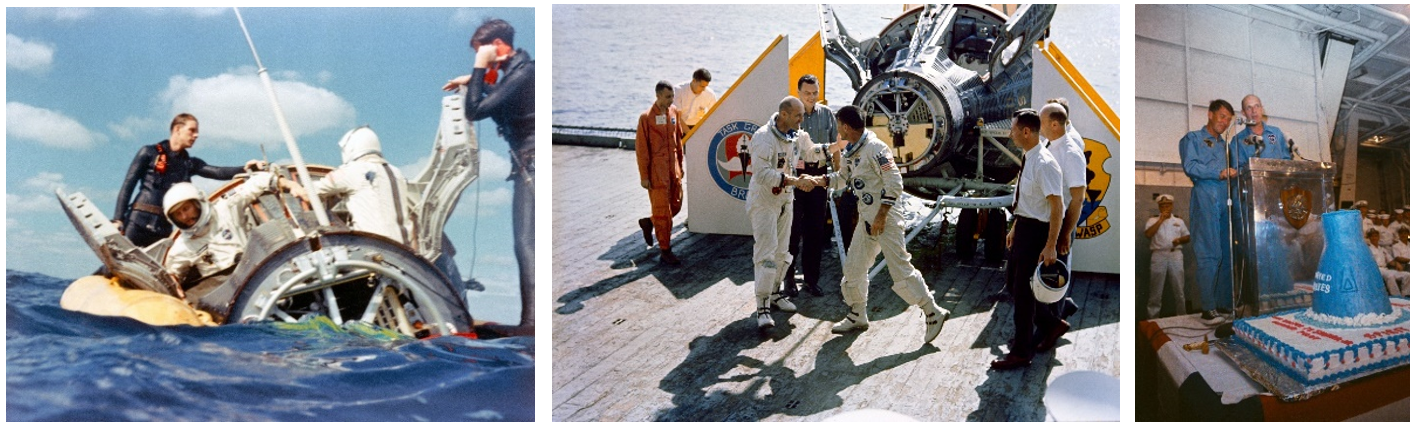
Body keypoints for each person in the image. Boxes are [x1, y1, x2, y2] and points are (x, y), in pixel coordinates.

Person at [812, 105, 949, 343]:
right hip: (868, 218)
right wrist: (817, 181)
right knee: (853, 268)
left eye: (838, 125)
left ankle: (932, 311)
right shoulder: (851, 152)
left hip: (886, 219)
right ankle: (857, 314)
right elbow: (842, 178)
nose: (837, 130)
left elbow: (895, 181)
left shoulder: (877, 149)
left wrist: (882, 215)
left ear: (845, 126)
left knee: (901, 270)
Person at [443, 18, 535, 336]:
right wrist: (471, 78)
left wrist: (478, 69)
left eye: (480, 50)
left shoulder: (524, 71)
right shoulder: (517, 72)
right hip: (525, 164)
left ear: (497, 45)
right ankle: (529, 320)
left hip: (532, 162)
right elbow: (498, 93)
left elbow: (475, 110)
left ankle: (532, 323)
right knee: (523, 242)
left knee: (526, 242)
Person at [115, 113, 264, 248]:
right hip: (138, 221)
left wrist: (246, 169)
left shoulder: (190, 163)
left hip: (165, 227)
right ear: (177, 129)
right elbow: (128, 185)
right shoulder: (149, 152)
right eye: (192, 130)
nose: (196, 135)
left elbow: (218, 172)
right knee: (117, 263)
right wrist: (118, 219)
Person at [990, 108, 1066, 371]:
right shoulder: (1029, 157)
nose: (1010, 134)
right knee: (1014, 284)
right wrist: (1015, 226)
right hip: (1024, 226)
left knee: (1023, 294)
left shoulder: (1044, 163)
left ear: (1025, 131)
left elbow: (1057, 207)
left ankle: (1022, 352)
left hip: (1037, 233)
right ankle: (1050, 324)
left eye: (1013, 129)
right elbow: (1027, 199)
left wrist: (1050, 245)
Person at [746, 96, 830, 330]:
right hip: (764, 201)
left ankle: (774, 292)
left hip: (785, 199)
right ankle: (761, 305)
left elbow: (811, 152)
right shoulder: (763, 138)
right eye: (798, 115)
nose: (802, 119)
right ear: (784, 115)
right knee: (766, 251)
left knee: (783, 250)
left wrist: (834, 147)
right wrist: (794, 180)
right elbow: (762, 174)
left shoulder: (797, 134)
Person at [162, 176, 306, 290]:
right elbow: (171, 277)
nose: (184, 217)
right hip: (224, 293)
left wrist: (290, 184)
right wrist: (174, 281)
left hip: (257, 272)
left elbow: (257, 183)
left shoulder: (226, 208)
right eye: (178, 214)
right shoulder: (182, 247)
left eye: (186, 209)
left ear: (198, 202)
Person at [308, 126, 415, 247]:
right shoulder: (397, 173)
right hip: (405, 252)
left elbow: (309, 193)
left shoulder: (353, 170)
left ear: (350, 148)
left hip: (374, 248)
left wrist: (286, 183)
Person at [1180, 100, 1238, 321]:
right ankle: (1207, 307)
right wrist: (1219, 172)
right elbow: (1190, 166)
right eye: (1222, 117)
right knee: (1209, 253)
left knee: (1225, 252)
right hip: (1205, 195)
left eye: (1228, 120)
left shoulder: (1226, 146)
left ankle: (1223, 303)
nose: (1225, 122)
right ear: (1210, 114)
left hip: (1225, 198)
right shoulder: (1192, 138)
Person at [783, 74, 837, 297]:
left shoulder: (827, 115)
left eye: (815, 93)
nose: (812, 97)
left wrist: (837, 177)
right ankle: (788, 279)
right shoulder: (790, 115)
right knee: (792, 230)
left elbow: (836, 147)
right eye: (807, 93)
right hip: (796, 175)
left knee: (816, 231)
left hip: (819, 175)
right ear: (798, 92)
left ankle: (811, 280)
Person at [1039, 102, 1086, 324]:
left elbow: (1078, 197)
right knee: (1048, 273)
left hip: (1062, 223)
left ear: (1055, 124)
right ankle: (1062, 307)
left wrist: (1066, 232)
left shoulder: (1070, 153)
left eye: (1042, 122)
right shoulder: (1051, 144)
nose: (1039, 126)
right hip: (1048, 221)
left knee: (1055, 276)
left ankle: (1055, 324)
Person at [635, 81, 686, 265]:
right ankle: (665, 250)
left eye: (672, 96)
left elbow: (678, 141)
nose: (671, 100)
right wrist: (645, 176)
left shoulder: (674, 113)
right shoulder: (646, 118)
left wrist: (681, 165)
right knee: (663, 211)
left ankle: (649, 222)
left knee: (676, 205)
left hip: (674, 170)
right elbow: (642, 150)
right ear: (657, 96)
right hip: (657, 171)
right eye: (667, 97)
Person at [1145, 194, 1190, 319]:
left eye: (1168, 205)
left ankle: (1182, 317)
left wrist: (1180, 239)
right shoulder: (1152, 220)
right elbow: (1148, 234)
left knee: (1179, 288)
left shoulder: (1178, 221)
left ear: (1172, 206)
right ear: (1159, 207)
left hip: (1175, 254)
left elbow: (1187, 237)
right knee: (1156, 290)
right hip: (1158, 255)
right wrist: (1160, 220)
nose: (1165, 207)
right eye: (1162, 205)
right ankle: (1153, 319)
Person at [1230, 94, 1291, 172]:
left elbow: (1287, 162)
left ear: (1262, 109)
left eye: (1257, 106)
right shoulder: (1238, 141)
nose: (1254, 111)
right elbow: (1238, 171)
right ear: (1243, 113)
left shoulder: (1276, 133)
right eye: (1249, 108)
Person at [1366, 228, 1409, 296]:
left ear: (1378, 237)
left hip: (1385, 269)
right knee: (1390, 276)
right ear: (1369, 238)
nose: (1374, 238)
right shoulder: (1368, 249)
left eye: (1376, 236)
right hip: (1376, 269)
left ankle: (1405, 295)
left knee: (1407, 275)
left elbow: (1391, 261)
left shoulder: (1383, 249)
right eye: (1372, 236)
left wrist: (1397, 264)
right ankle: (1397, 296)